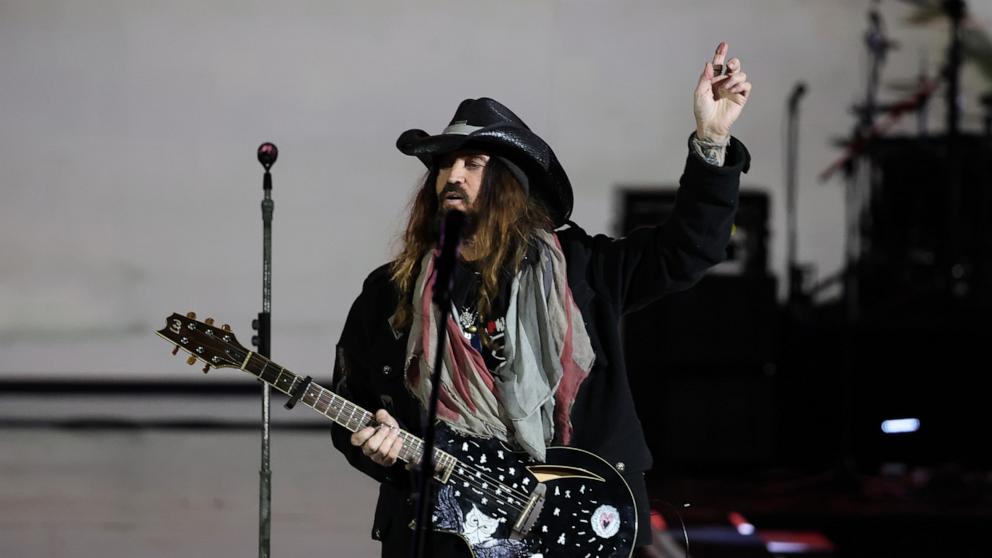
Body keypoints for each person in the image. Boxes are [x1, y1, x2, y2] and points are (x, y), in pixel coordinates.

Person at [331, 42, 752, 557]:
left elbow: (688, 252)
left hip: (577, 520)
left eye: (473, 162)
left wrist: (712, 141)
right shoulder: (392, 290)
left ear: (511, 184)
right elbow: (354, 405)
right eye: (443, 165)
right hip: (447, 528)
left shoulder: (580, 267)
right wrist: (377, 447)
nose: (453, 176)